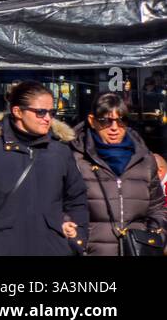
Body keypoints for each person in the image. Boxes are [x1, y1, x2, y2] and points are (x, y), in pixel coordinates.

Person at [0, 81, 89, 256]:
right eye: (40, 112)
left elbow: (77, 198)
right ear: (18, 111)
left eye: (52, 112)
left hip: (53, 249)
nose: (47, 118)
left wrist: (78, 235)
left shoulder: (59, 150)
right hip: (0, 249)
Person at [68, 92, 166, 256]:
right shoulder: (75, 159)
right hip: (92, 251)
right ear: (92, 121)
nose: (114, 127)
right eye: (105, 121)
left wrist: (156, 234)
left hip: (137, 249)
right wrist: (77, 241)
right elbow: (59, 205)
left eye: (121, 120)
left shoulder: (144, 160)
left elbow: (158, 207)